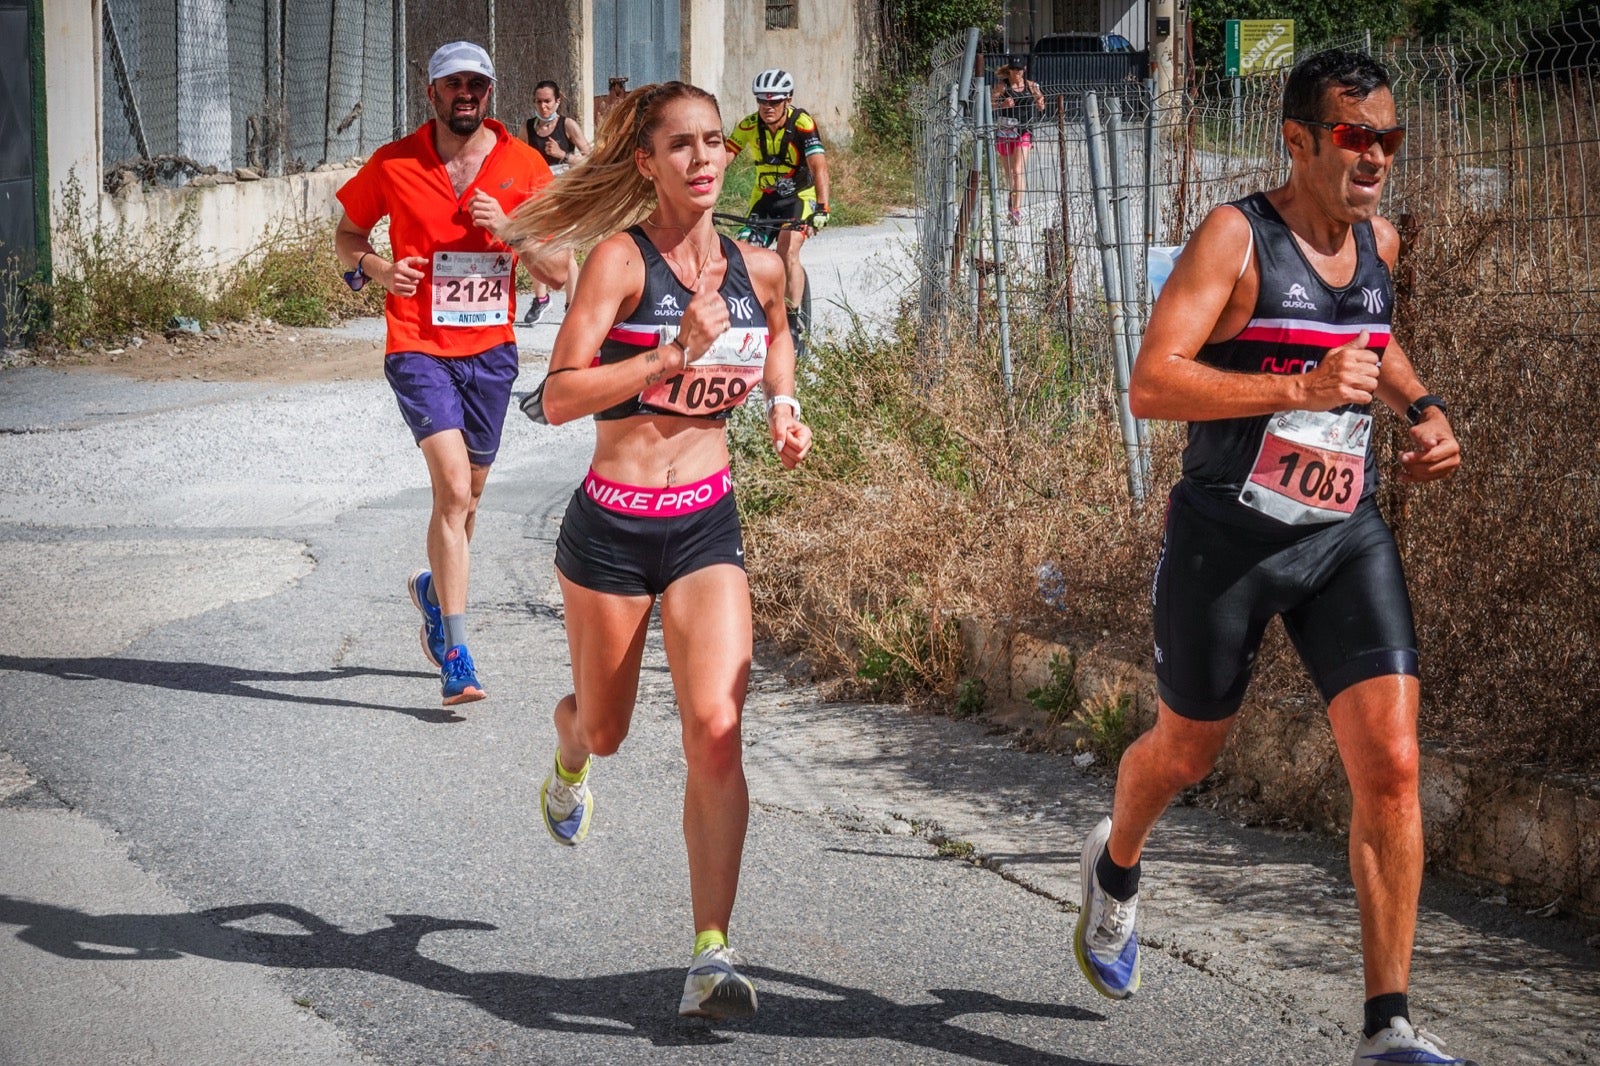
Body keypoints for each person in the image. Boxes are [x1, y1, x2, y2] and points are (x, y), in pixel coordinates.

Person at [1073, 49, 1468, 1066]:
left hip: (1342, 538)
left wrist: (1419, 413)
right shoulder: (1236, 238)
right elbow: (1153, 383)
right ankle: (1115, 867)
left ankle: (1387, 1028)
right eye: (1353, 136)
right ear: (1297, 141)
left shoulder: (1376, 237)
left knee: (1391, 765)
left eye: (1387, 136)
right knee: (1186, 754)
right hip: (1227, 541)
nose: (1375, 154)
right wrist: (1296, 389)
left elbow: (1367, 344)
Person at [500, 81, 811, 1018]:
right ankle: (568, 750)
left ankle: (711, 953)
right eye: (682, 146)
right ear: (646, 163)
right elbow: (556, 397)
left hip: (707, 524)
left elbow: (779, 339)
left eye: (715, 142)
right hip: (612, 531)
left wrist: (785, 408)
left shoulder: (760, 268)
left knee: (716, 729)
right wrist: (668, 357)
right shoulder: (617, 265)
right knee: (608, 728)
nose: (705, 159)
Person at [334, 41, 562, 706]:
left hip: (491, 354)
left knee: (471, 501)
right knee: (454, 494)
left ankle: (435, 590)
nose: (466, 94)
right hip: (417, 345)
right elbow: (348, 239)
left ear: (490, 93)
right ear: (431, 93)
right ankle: (457, 652)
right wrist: (379, 270)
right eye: (453, 84)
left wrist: (516, 229)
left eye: (477, 84)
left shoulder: (525, 167)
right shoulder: (394, 162)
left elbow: (561, 273)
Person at [725, 69, 831, 316]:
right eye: (762, 100)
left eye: (774, 101)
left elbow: (819, 168)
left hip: (799, 198)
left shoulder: (802, 124)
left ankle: (793, 318)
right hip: (765, 199)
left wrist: (822, 207)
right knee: (743, 250)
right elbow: (723, 160)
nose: (767, 106)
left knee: (787, 248)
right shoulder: (749, 125)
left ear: (788, 99)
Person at [521, 80, 591, 324]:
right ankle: (541, 300)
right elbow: (518, 157)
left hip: (565, 196)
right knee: (537, 247)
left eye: (548, 101)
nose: (543, 106)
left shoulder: (567, 125)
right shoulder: (528, 128)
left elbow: (589, 159)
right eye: (539, 102)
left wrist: (563, 155)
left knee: (566, 249)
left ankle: (571, 304)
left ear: (557, 101)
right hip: (539, 195)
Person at [990, 64, 1045, 225]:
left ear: (1024, 68)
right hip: (1005, 133)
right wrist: (1002, 105)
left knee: (1017, 170)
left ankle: (1016, 210)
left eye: (1020, 69)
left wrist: (1040, 103)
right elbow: (988, 105)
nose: (1017, 73)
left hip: (1024, 132)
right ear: (1010, 70)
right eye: (1014, 69)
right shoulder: (1002, 86)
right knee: (1008, 174)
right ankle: (1012, 196)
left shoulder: (1031, 85)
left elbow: (1041, 102)